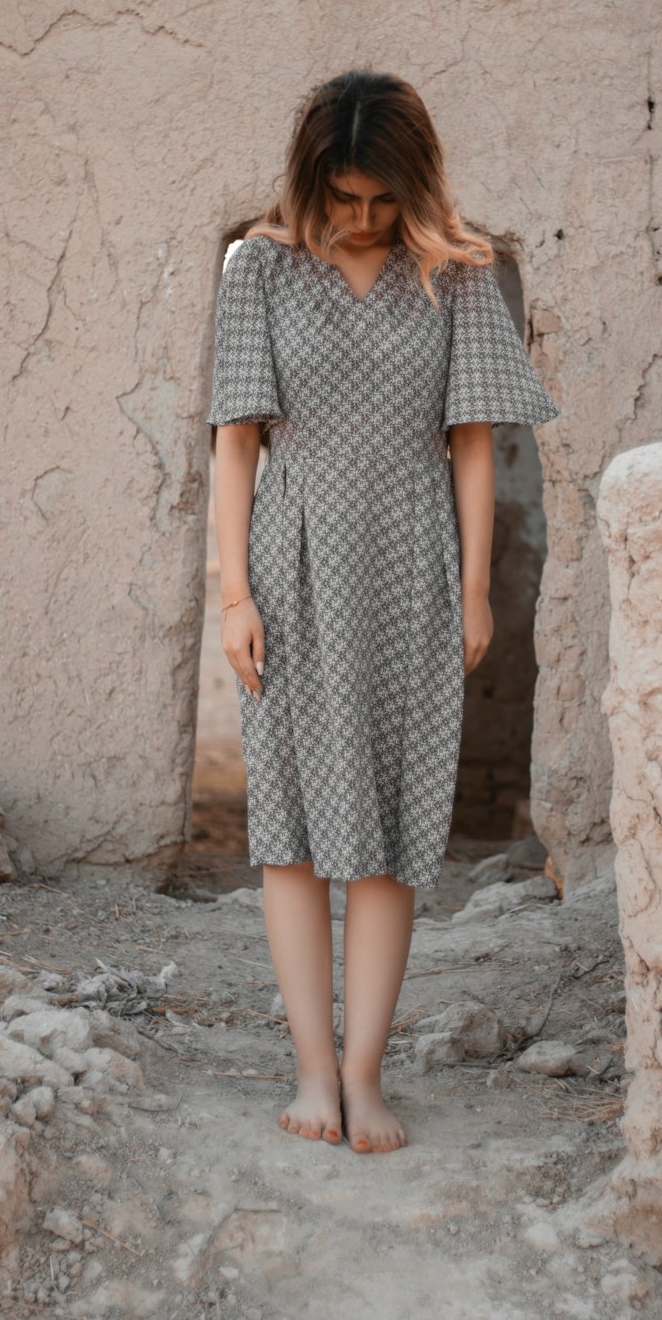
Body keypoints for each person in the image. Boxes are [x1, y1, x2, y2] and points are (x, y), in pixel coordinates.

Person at [207, 69, 559, 1154]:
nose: (360, 219)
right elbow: (235, 440)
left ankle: (365, 1077)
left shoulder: (455, 273)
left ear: (414, 183)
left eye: (378, 198)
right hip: (293, 561)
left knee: (395, 827)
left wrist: (470, 585)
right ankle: (312, 1069)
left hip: (410, 561)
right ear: (311, 180)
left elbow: (470, 444)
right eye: (342, 197)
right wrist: (234, 593)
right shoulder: (258, 269)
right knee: (297, 827)